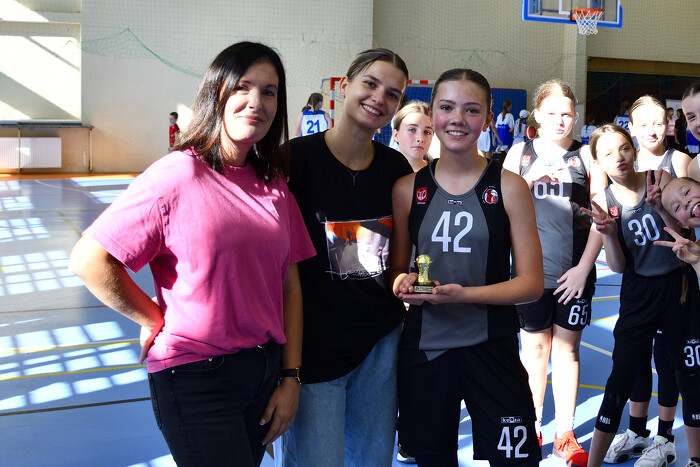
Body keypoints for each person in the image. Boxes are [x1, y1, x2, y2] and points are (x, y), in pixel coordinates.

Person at [67, 42, 316, 467]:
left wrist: (290, 377)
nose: (256, 102)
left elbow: (289, 287)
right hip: (197, 378)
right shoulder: (178, 174)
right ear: (216, 92)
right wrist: (152, 318)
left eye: (269, 92)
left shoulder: (273, 183)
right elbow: (89, 260)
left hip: (262, 373)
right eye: (242, 87)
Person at [390, 67, 543, 467]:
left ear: (488, 119)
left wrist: (463, 295)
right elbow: (398, 271)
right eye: (447, 107)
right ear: (433, 114)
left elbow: (531, 283)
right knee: (432, 459)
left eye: (471, 110)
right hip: (425, 350)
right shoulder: (407, 189)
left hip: (492, 345)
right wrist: (404, 282)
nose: (457, 119)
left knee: (516, 461)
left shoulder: (509, 186)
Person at [274, 48, 413, 467]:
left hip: (379, 346)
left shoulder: (395, 169)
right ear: (345, 85)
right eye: (370, 83)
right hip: (313, 350)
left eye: (392, 93)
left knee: (373, 460)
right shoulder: (293, 160)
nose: (379, 98)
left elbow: (396, 261)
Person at [583, 124, 700, 467]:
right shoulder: (605, 202)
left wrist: (661, 208)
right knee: (623, 372)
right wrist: (608, 235)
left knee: (684, 370)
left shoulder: (659, 180)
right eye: (607, 153)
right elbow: (618, 266)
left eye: (623, 148)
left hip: (678, 285)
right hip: (639, 291)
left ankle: (681, 449)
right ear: (597, 162)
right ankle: (617, 446)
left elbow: (685, 228)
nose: (618, 157)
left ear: (633, 150)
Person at [503, 79, 605, 467]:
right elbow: (499, 210)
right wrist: (526, 183)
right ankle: (531, 427)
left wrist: (583, 269)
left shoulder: (587, 157)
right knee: (534, 350)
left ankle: (565, 432)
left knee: (567, 350)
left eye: (567, 113)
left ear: (576, 116)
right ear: (537, 115)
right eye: (551, 113)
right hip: (529, 275)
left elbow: (601, 219)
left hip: (572, 274)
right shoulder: (519, 154)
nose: (560, 120)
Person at [631, 96, 691, 178]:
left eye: (658, 124)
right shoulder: (627, 164)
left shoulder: (680, 161)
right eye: (643, 125)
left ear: (667, 125)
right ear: (631, 128)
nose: (651, 132)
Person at [392, 100, 434, 172]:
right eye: (412, 130)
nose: (420, 139)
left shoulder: (439, 174)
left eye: (427, 132)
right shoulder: (380, 172)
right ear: (396, 135)